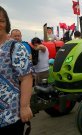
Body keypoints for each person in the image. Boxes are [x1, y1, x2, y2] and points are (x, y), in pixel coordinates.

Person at [0, 6, 33, 134]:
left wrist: (24, 107)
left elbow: (26, 77)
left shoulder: (15, 48)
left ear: (6, 24)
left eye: (1, 21)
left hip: (9, 116)